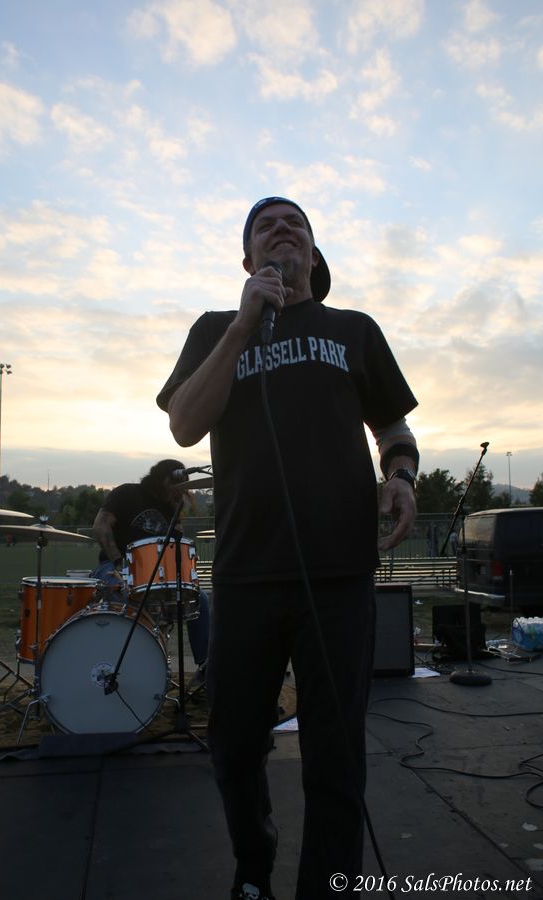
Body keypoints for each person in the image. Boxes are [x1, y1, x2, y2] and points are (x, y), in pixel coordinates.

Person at [157, 197, 419, 900]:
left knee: (336, 755)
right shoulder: (215, 329)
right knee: (235, 744)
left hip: (340, 573)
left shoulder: (354, 330)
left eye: (295, 222)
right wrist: (244, 324)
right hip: (247, 571)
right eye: (265, 226)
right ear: (248, 261)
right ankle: (254, 865)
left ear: (314, 253)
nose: (282, 229)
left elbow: (394, 429)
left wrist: (400, 478)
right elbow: (183, 425)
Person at [91, 458, 209, 676]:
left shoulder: (171, 507)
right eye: (176, 485)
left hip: (156, 575)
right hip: (113, 567)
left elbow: (175, 549)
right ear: (162, 480)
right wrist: (119, 562)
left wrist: (177, 517)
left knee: (199, 599)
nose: (179, 491)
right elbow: (100, 526)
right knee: (124, 595)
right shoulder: (127, 493)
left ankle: (206, 669)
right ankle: (126, 668)